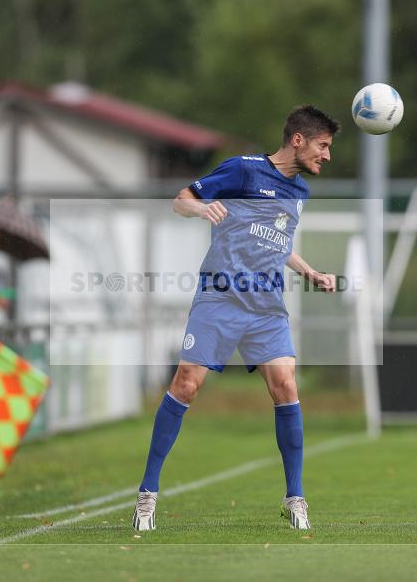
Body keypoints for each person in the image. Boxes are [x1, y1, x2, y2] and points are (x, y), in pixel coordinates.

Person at [132, 105, 339, 532]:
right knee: (186, 385)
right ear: (297, 140)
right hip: (220, 297)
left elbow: (279, 242)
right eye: (323, 146)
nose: (327, 155)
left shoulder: (300, 191)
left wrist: (310, 272)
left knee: (286, 386)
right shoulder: (243, 170)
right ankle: (147, 494)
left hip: (266, 306)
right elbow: (182, 200)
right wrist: (202, 210)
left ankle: (295, 498)